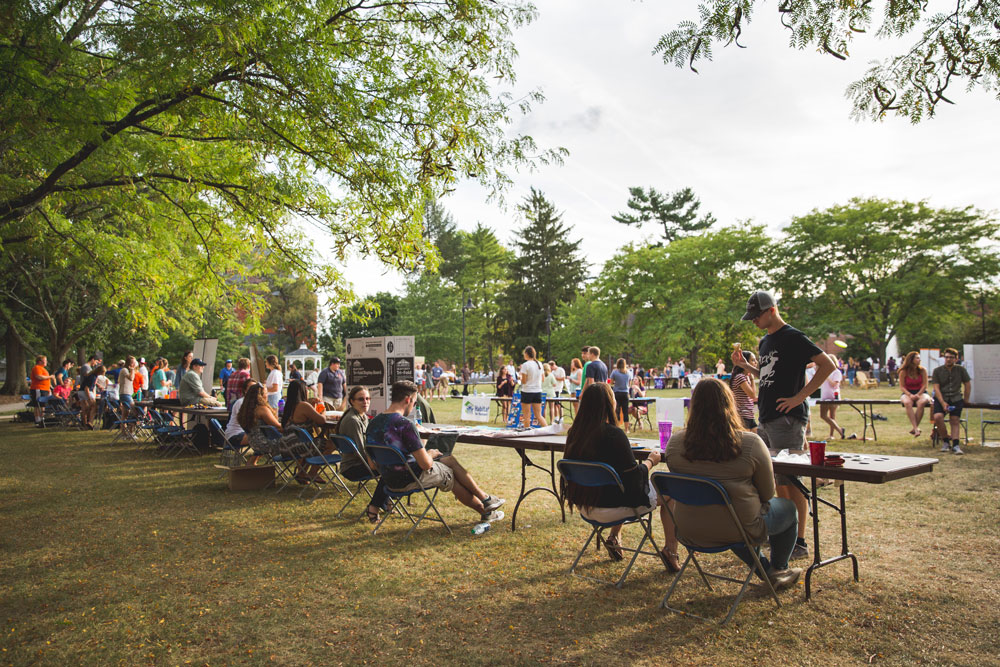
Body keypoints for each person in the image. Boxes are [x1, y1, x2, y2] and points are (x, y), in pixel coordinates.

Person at [665, 377, 803, 590]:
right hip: (736, 527)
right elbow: (768, 493)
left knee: (732, 514)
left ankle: (769, 572)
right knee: (786, 509)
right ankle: (778, 569)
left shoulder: (675, 444)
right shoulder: (750, 443)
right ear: (730, 405)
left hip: (689, 528)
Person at [731, 290, 834, 562]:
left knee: (792, 479)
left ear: (771, 311)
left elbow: (828, 365)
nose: (753, 321)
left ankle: (800, 541)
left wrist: (801, 396)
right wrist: (745, 366)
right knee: (776, 479)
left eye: (757, 315)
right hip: (766, 417)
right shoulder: (766, 341)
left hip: (787, 419)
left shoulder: (793, 337)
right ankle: (783, 533)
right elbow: (767, 376)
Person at [561, 383, 680, 570]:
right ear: (609, 404)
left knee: (619, 485)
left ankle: (614, 537)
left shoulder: (574, 434)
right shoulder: (614, 435)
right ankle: (670, 551)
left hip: (586, 505)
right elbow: (634, 482)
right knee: (670, 489)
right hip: (612, 507)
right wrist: (650, 461)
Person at [367, 380, 505, 523]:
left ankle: (486, 499)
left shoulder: (373, 423)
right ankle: (486, 510)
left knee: (447, 459)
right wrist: (430, 454)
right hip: (409, 478)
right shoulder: (404, 424)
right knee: (449, 473)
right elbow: (426, 465)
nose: (414, 406)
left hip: (388, 480)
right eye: (414, 403)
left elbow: (372, 465)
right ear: (408, 399)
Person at [336, 385, 391, 523]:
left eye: (367, 398)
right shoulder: (352, 421)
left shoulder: (362, 416)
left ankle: (384, 502)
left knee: (393, 465)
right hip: (353, 467)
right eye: (361, 399)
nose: (365, 402)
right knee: (391, 470)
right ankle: (376, 506)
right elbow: (361, 451)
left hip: (361, 461)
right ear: (352, 401)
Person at [281, 378, 333, 483]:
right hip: (298, 446)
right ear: (302, 391)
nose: (308, 391)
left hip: (287, 444)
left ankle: (301, 473)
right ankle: (313, 473)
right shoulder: (303, 406)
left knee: (314, 443)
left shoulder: (289, 405)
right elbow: (321, 420)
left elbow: (307, 418)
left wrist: (312, 405)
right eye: (306, 389)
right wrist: (323, 410)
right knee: (331, 444)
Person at [931, 347, 971, 455]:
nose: (948, 359)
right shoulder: (937, 371)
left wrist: (966, 399)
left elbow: (967, 384)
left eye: (951, 357)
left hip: (956, 397)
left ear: (956, 359)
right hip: (941, 398)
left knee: (955, 420)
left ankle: (956, 445)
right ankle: (945, 441)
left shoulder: (960, 370)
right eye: (947, 357)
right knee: (938, 417)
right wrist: (943, 402)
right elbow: (936, 388)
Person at [898, 351, 932, 437]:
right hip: (908, 392)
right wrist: (910, 395)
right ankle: (916, 428)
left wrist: (918, 394)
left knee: (921, 402)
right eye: (917, 358)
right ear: (911, 359)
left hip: (921, 392)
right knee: (907, 402)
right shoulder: (903, 371)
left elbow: (925, 385)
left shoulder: (922, 370)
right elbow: (902, 386)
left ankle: (915, 428)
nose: (919, 360)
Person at [819, 353, 847, 439]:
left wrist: (827, 377)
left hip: (833, 396)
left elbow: (834, 384)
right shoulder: (823, 371)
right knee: (823, 415)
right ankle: (840, 430)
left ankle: (832, 435)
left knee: (832, 416)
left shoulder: (836, 372)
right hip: (824, 396)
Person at [518, 346, 547, 428]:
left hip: (527, 391)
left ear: (526, 354)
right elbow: (543, 379)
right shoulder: (539, 364)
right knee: (539, 415)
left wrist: (520, 377)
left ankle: (527, 433)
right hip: (537, 391)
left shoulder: (525, 365)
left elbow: (523, 381)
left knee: (526, 416)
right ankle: (548, 430)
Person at [729, 350, 758, 432]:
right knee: (747, 443)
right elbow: (752, 395)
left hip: (749, 415)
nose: (756, 362)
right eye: (752, 360)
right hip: (742, 415)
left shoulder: (745, 376)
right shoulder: (740, 377)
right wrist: (752, 379)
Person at [224, 379, 255, 448]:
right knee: (260, 438)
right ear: (245, 390)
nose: (254, 390)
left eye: (255, 387)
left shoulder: (255, 403)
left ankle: (255, 458)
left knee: (264, 437)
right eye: (251, 387)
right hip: (235, 434)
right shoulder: (241, 402)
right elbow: (245, 422)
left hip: (246, 433)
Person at [29, 355, 53, 427]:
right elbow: (38, 377)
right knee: (38, 404)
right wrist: (50, 376)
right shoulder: (37, 368)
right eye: (45, 361)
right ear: (40, 361)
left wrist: (49, 388)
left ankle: (42, 419)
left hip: (44, 389)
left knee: (43, 404)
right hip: (38, 388)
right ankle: (38, 420)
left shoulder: (43, 369)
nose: (46, 362)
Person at [609, 358, 632, 432]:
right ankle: (626, 429)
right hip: (625, 393)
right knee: (625, 411)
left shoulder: (615, 372)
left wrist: (616, 383)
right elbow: (629, 384)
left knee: (617, 411)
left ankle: (617, 428)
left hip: (617, 393)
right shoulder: (628, 372)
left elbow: (611, 382)